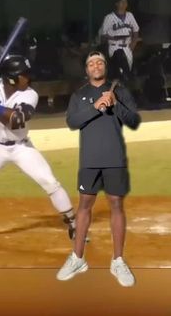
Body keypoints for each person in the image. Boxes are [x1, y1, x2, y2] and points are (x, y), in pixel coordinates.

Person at [0, 55, 76, 242]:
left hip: (22, 148)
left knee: (50, 182)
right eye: (23, 75)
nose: (28, 78)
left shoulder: (30, 94)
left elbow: (17, 119)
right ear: (11, 78)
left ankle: (75, 226)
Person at [56, 51, 141, 287]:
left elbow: (134, 121)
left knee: (116, 204)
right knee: (84, 206)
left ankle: (118, 260)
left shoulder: (119, 91)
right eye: (91, 63)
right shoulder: (80, 94)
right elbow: (72, 122)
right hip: (89, 160)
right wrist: (95, 106)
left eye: (99, 62)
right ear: (86, 69)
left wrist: (116, 105)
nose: (95, 65)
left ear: (105, 66)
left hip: (114, 158)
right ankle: (78, 257)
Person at [99, 0, 140, 82]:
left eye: (125, 2)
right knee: (119, 72)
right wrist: (114, 38)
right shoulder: (109, 17)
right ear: (116, 4)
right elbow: (103, 34)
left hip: (127, 47)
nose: (124, 4)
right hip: (114, 46)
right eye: (122, 2)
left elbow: (136, 31)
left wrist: (133, 44)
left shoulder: (130, 15)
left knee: (128, 72)